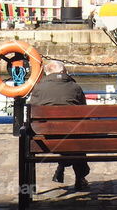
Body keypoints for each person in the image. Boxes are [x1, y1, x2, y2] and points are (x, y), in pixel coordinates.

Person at [28, 59, 90, 191]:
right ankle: (79, 177)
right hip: (73, 139)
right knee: (74, 136)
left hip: (46, 139)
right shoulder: (75, 88)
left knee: (63, 134)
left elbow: (32, 115)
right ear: (63, 72)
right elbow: (84, 112)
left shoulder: (38, 89)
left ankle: (61, 168)